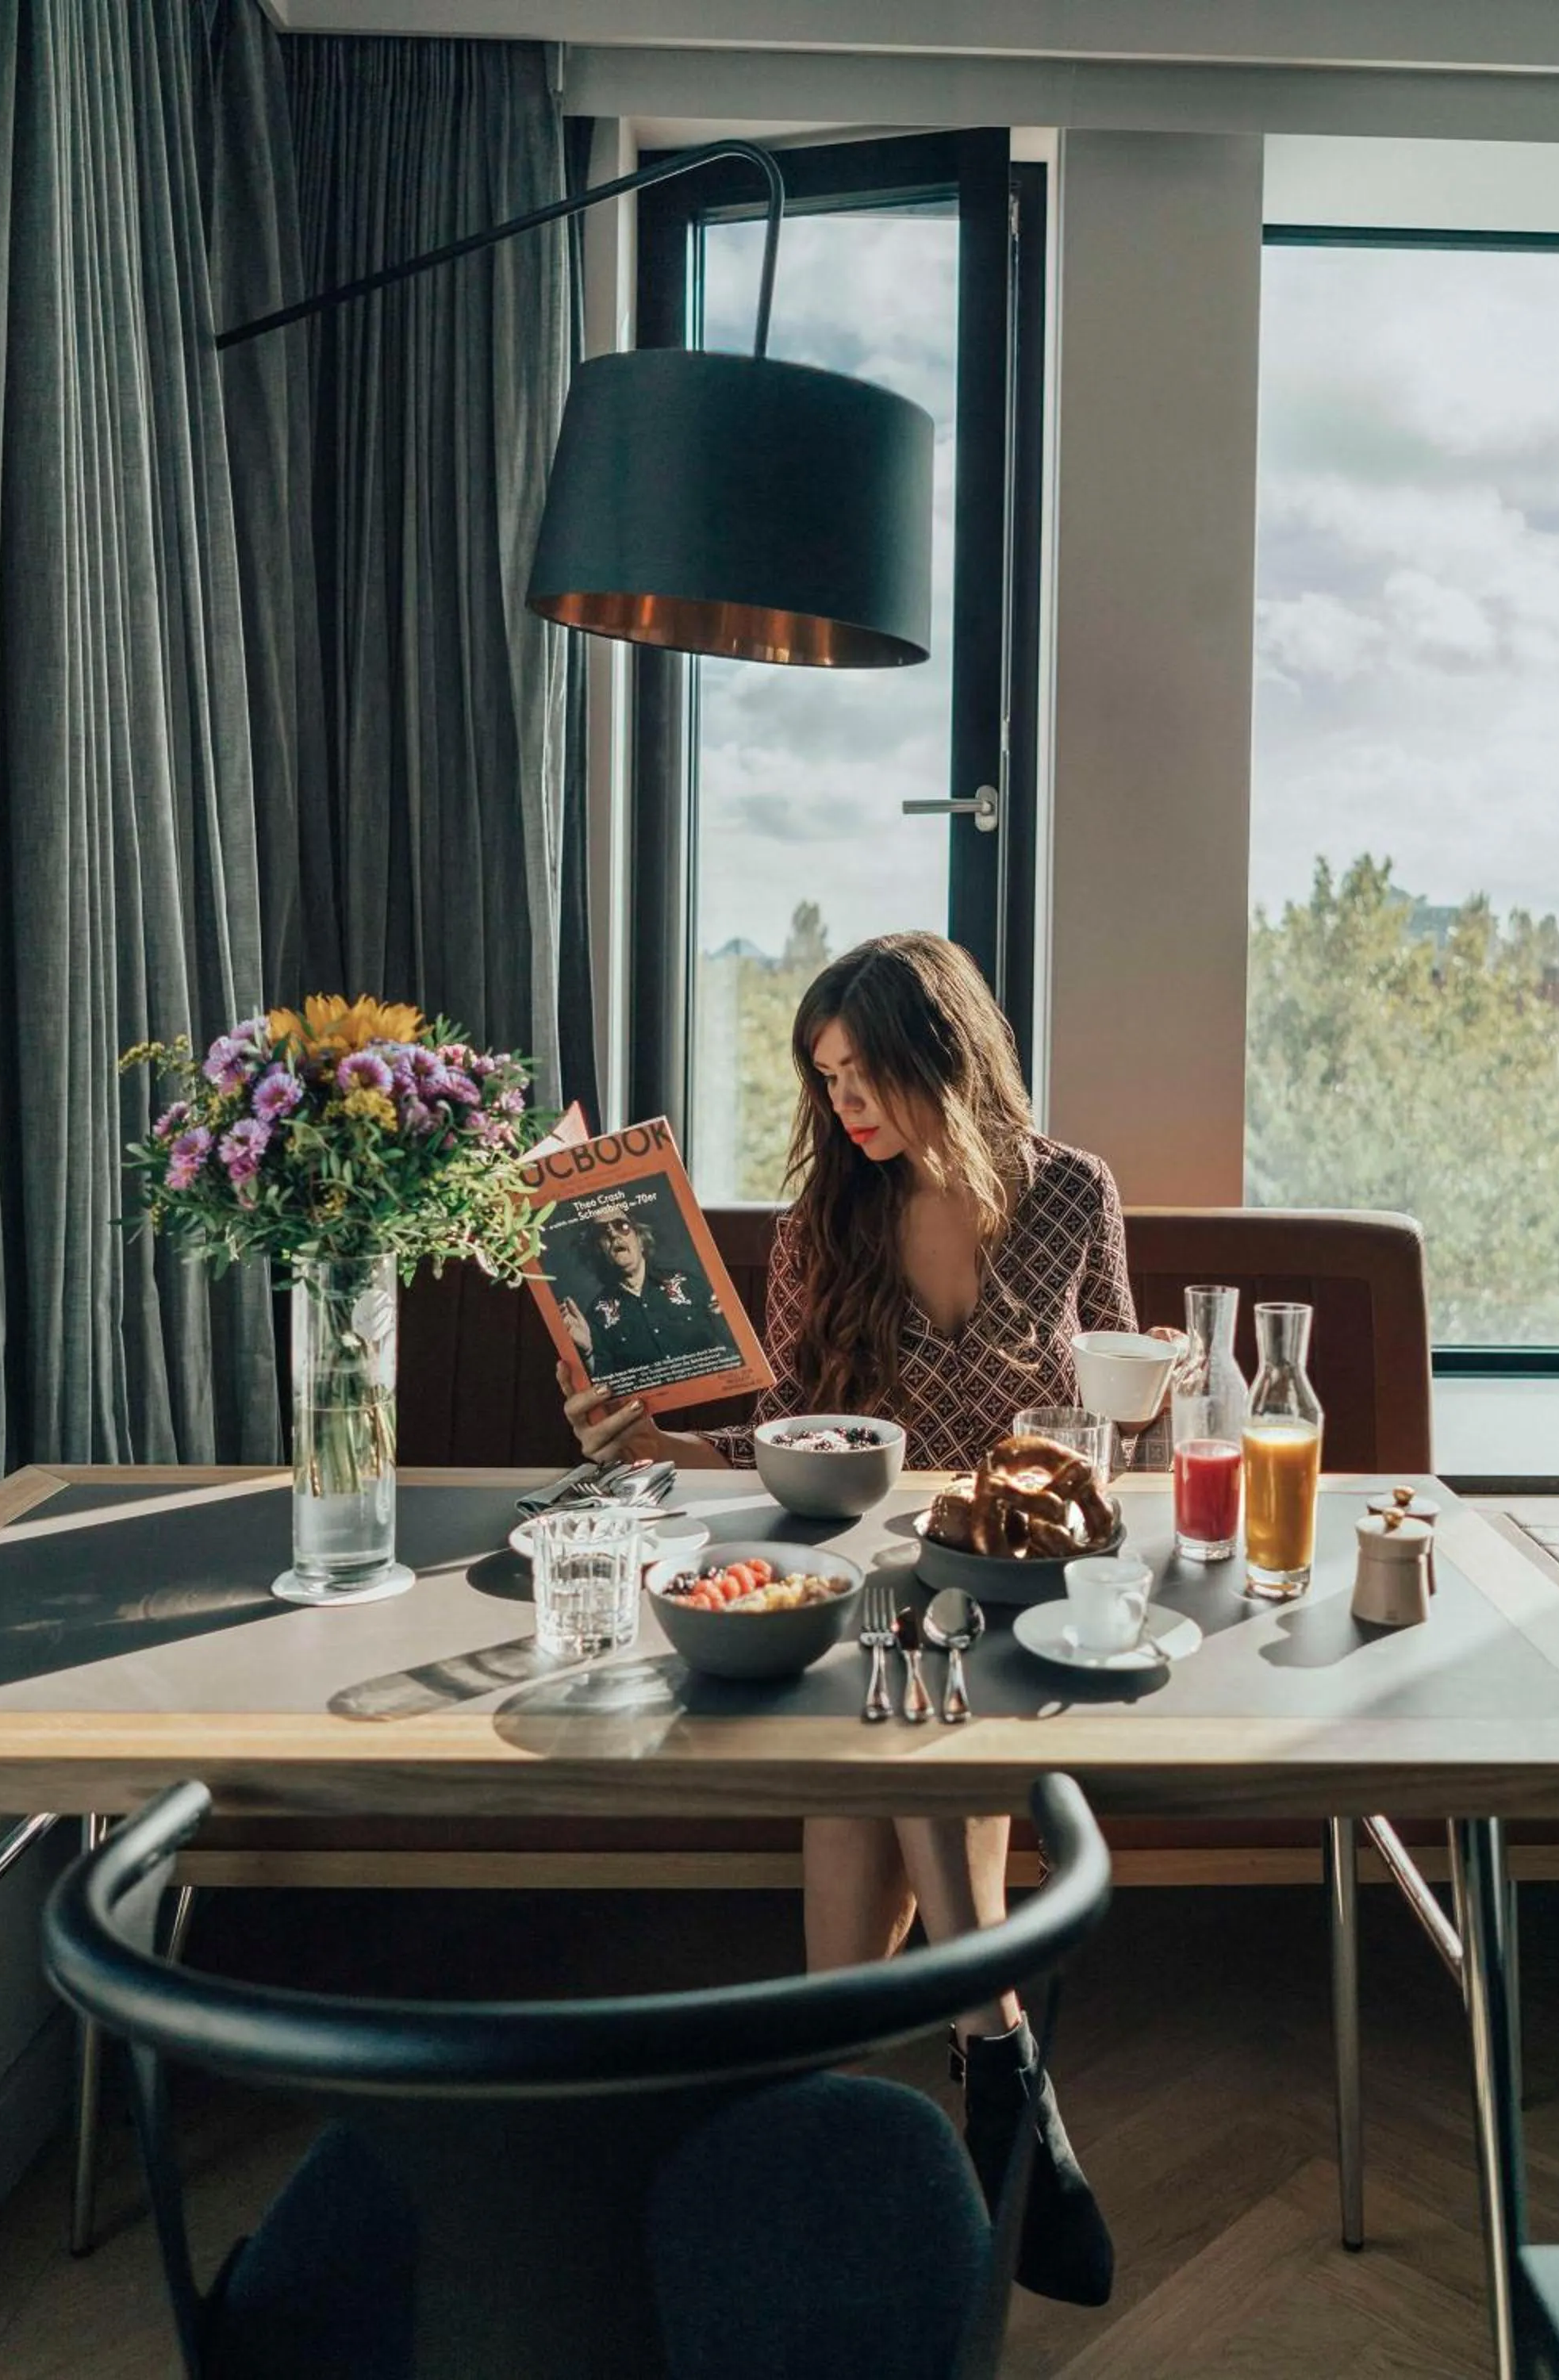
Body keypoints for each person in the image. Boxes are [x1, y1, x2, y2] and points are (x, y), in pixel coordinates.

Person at [559, 931, 1166, 2307]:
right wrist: (646, 1432)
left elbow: (1128, 1408)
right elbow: (791, 1452)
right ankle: (997, 2056)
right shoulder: (822, 1219)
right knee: (886, 1695)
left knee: (880, 1718)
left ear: (938, 1054)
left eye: (862, 1070)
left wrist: (1132, 1415)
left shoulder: (1072, 1191)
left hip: (1023, 1585)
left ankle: (821, 2112)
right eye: (823, 1078)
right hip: (862, 1589)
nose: (843, 1104)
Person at [560, 1208, 730, 1384]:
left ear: (640, 1240)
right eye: (602, 1232)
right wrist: (587, 1353)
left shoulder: (688, 1284)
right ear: (598, 1250)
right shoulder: (597, 1316)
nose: (612, 1233)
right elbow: (606, 1386)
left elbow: (730, 1347)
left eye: (622, 1226)